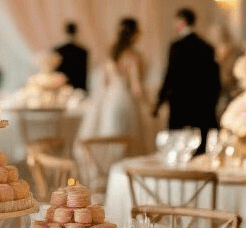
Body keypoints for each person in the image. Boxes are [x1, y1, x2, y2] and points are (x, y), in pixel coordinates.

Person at [154, 8, 221, 152]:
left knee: (179, 148)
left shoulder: (177, 47)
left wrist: (159, 101)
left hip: (180, 105)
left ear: (181, 22)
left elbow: (170, 76)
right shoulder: (207, 47)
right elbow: (214, 81)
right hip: (202, 106)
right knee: (200, 149)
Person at [78, 17, 149, 151]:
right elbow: (136, 88)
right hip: (125, 102)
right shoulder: (132, 57)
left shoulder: (110, 56)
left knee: (111, 137)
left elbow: (103, 84)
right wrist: (148, 105)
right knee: (127, 141)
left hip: (109, 101)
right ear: (134, 34)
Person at [53, 21, 89, 92]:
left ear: (65, 31)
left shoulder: (58, 50)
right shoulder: (83, 51)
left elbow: (56, 73)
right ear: (76, 32)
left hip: (62, 89)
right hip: (78, 89)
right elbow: (84, 75)